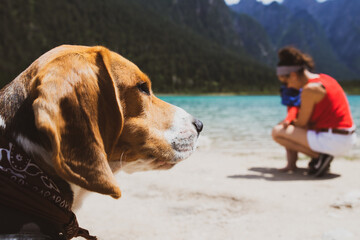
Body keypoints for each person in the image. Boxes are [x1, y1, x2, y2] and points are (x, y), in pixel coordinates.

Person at [272, 46, 357, 177]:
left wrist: (289, 121)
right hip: (346, 136)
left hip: (334, 139)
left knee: (277, 132)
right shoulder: (325, 78)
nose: (287, 86)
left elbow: (301, 124)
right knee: (286, 128)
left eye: (286, 81)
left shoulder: (309, 89)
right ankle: (319, 158)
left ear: (293, 75)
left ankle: (320, 156)